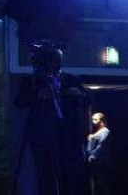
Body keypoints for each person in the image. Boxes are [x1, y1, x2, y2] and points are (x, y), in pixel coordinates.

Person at [14, 41, 90, 195]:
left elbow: (87, 100)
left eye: (55, 62)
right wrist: (37, 95)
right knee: (44, 176)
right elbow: (19, 102)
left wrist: (76, 95)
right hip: (41, 136)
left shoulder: (70, 80)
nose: (52, 66)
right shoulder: (31, 82)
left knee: (70, 176)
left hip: (68, 137)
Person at [86, 112, 111, 195]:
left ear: (101, 121)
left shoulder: (105, 131)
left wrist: (93, 155)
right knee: (97, 184)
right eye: (93, 120)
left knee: (102, 184)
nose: (93, 122)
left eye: (96, 120)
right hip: (95, 162)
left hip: (102, 162)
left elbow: (101, 145)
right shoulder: (96, 132)